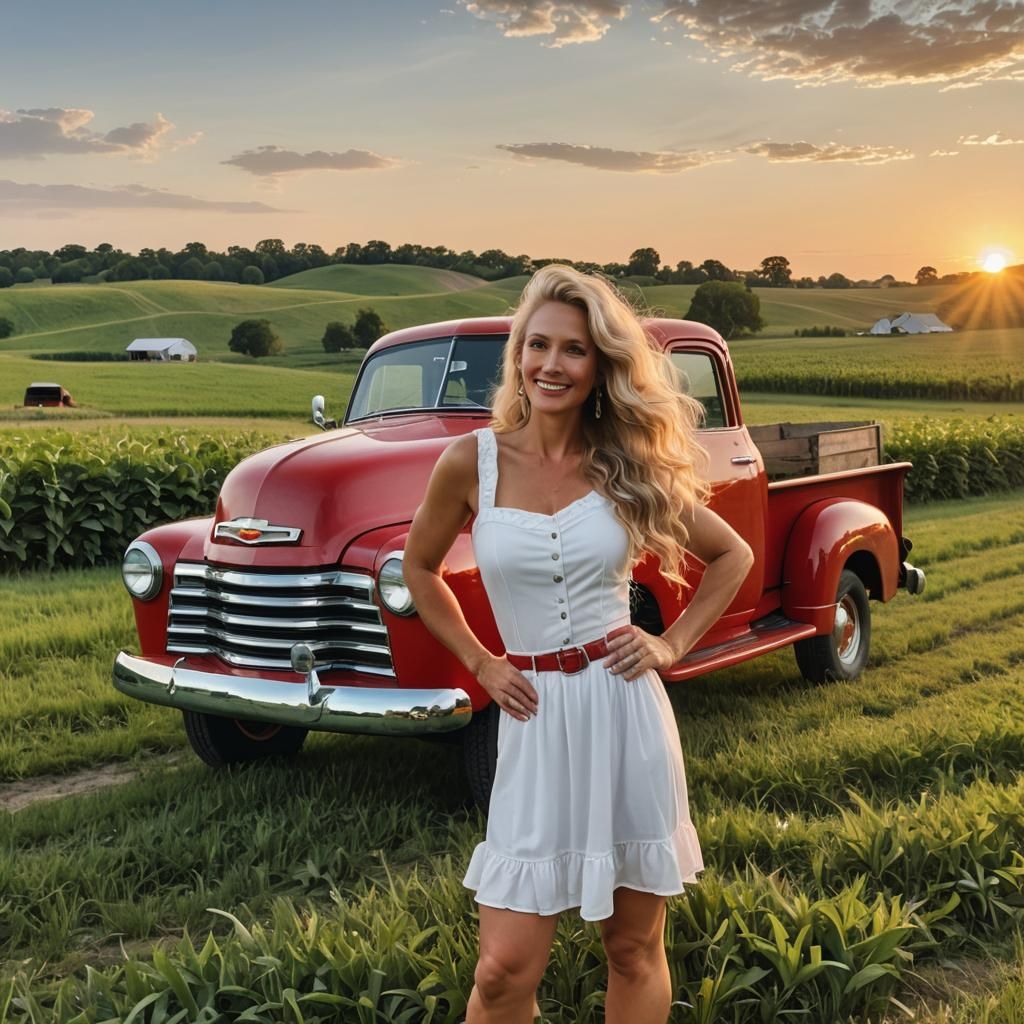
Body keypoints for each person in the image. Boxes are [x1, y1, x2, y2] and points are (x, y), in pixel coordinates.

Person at [404, 265, 754, 1024]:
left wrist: (672, 644)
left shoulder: (627, 463)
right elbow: (418, 569)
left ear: (600, 366)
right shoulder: (473, 462)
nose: (551, 365)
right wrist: (480, 662)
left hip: (621, 710)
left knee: (631, 948)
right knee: (500, 972)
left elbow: (732, 556)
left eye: (573, 349)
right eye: (537, 346)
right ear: (517, 356)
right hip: (531, 721)